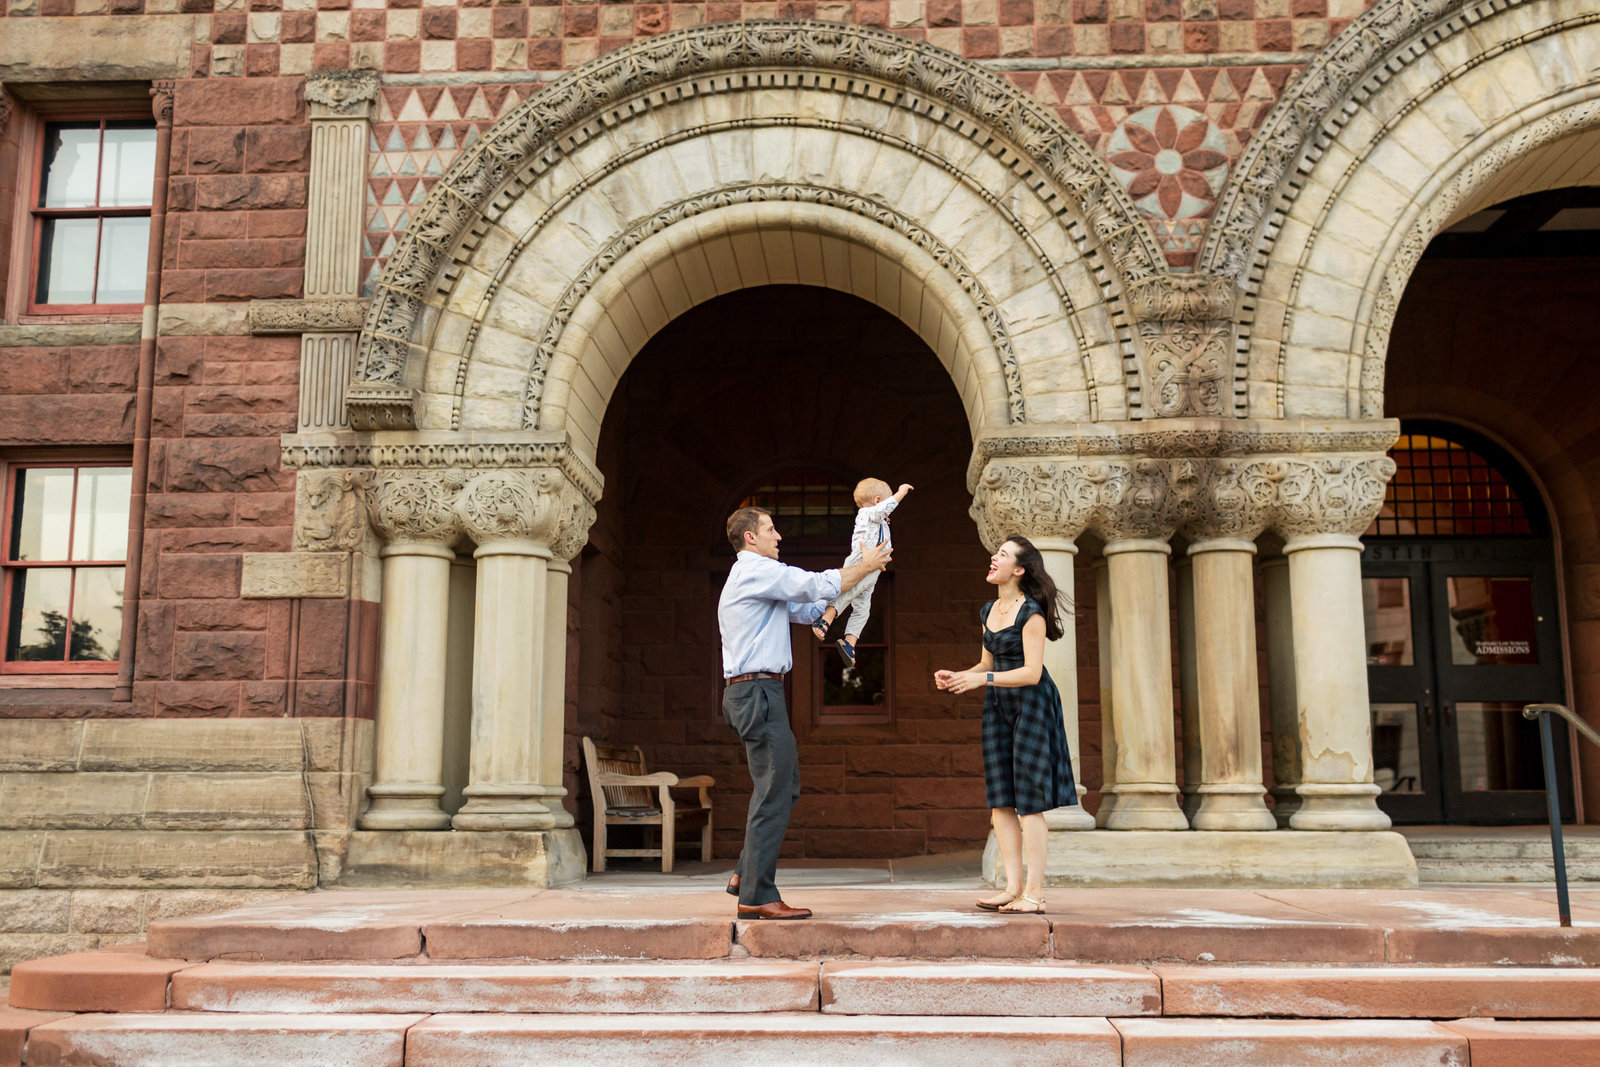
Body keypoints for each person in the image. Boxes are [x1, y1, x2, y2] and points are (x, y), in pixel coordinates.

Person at [719, 505, 891, 920]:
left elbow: (812, 608)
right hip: (757, 691)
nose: (779, 536)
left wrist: (859, 583)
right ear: (750, 538)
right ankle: (758, 895)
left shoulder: (761, 580)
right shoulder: (755, 570)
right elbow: (815, 584)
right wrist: (861, 564)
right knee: (775, 789)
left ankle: (746, 872)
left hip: (759, 692)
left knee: (783, 785)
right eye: (771, 529)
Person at [934, 535, 1077, 914]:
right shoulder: (989, 610)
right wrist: (960, 675)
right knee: (1001, 801)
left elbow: (1031, 674)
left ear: (1019, 569)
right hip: (999, 706)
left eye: (1001, 555)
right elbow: (986, 665)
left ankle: (1034, 893)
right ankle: (1011, 887)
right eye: (994, 553)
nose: (992, 558)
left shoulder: (1031, 613)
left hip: (1032, 705)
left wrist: (984, 680)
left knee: (1029, 803)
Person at [812, 479, 912, 664]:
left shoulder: (877, 517)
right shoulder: (867, 513)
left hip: (875, 562)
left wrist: (884, 520)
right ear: (877, 501)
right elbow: (884, 508)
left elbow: (882, 515)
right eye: (886, 502)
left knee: (863, 606)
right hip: (864, 558)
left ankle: (850, 641)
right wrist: (901, 492)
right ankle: (827, 616)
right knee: (851, 590)